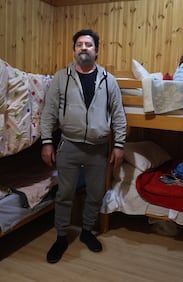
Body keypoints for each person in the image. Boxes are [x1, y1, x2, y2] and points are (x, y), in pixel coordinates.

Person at [40, 29, 127, 264]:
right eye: (79, 44)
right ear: (74, 50)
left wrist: (119, 145)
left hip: (98, 149)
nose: (84, 48)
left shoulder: (108, 80)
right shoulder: (61, 77)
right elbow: (48, 112)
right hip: (68, 145)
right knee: (65, 193)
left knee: (95, 193)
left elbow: (118, 114)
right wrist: (47, 142)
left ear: (96, 51)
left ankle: (87, 232)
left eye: (89, 44)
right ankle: (60, 236)